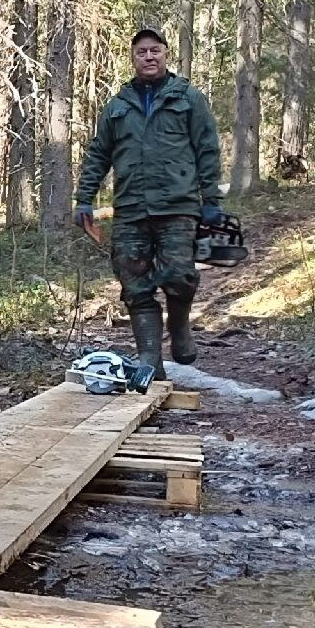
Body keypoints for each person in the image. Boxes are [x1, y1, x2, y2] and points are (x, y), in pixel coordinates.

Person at [73, 26, 224, 379]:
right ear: (133, 58)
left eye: (155, 50)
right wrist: (84, 199)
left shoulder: (188, 98)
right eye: (141, 52)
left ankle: (180, 327)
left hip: (178, 206)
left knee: (180, 276)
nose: (149, 57)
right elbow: (99, 154)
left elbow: (207, 149)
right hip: (131, 209)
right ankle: (150, 363)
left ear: (165, 54)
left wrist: (211, 199)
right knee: (135, 286)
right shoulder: (117, 106)